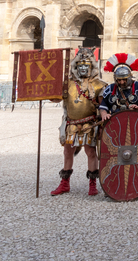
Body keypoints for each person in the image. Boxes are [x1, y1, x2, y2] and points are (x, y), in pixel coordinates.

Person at [50, 47, 107, 196]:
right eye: (80, 65)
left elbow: (103, 106)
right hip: (71, 123)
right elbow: (56, 98)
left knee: (90, 152)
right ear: (75, 67)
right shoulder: (67, 84)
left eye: (86, 65)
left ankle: (93, 185)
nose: (83, 68)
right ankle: (64, 184)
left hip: (90, 123)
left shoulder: (99, 85)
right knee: (67, 152)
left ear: (91, 67)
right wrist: (48, 92)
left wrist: (102, 126)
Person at [99, 54, 138, 121]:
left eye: (124, 79)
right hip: (115, 122)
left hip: (136, 121)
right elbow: (103, 106)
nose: (122, 82)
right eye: (119, 80)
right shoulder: (109, 89)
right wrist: (104, 114)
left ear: (129, 77)